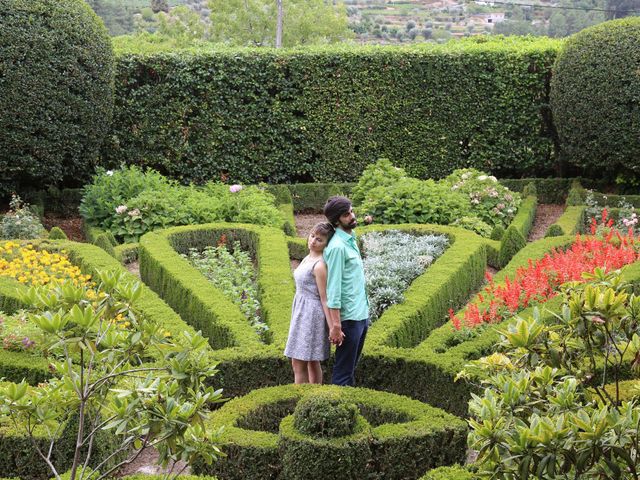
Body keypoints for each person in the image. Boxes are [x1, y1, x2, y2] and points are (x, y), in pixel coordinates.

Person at [323, 196, 369, 386]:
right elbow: (333, 289)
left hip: (360, 314)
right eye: (346, 214)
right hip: (349, 319)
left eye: (351, 211)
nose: (352, 216)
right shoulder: (337, 248)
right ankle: (337, 408)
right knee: (343, 374)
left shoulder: (350, 238)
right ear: (336, 220)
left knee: (350, 369)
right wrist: (335, 325)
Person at [284, 222, 337, 384]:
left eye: (319, 240)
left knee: (298, 362)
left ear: (326, 244)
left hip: (311, 315)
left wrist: (332, 327)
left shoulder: (320, 265)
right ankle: (313, 396)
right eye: (312, 236)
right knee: (311, 360)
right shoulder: (309, 256)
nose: (313, 241)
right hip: (302, 309)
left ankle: (300, 401)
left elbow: (324, 298)